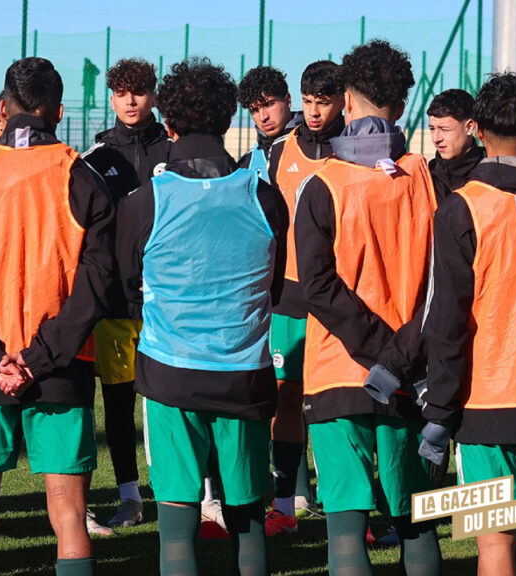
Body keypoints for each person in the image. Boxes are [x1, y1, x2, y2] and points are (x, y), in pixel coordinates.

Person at [0, 57, 113, 576]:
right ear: (58, 111)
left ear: (0, 110)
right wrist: (39, 357)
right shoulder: (79, 173)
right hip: (61, 363)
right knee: (69, 515)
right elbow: (95, 284)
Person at [115, 56, 286, 576]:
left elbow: (127, 290)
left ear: (168, 123)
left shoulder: (145, 201)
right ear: (229, 119)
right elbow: (272, 288)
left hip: (171, 374)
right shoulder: (265, 196)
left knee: (177, 522)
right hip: (244, 377)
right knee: (247, 517)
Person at [295, 40, 442, 576]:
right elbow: (445, 280)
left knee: (346, 528)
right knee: (417, 523)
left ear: (347, 104)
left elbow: (318, 287)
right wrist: (401, 354)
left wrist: (380, 352)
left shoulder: (322, 183)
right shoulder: (427, 177)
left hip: (340, 371)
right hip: (413, 372)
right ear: (401, 109)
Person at [423, 72, 516, 576]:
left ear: (477, 129)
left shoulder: (462, 208)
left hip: (486, 403)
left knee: (495, 544)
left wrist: (439, 409)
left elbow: (445, 322)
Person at [81, 57, 171, 533]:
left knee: (171, 403)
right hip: (117, 304)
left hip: (169, 303)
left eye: (138, 91)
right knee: (117, 404)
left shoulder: (173, 151)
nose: (131, 101)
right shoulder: (96, 157)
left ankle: (194, 493)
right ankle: (130, 496)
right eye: (121, 92)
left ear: (153, 95)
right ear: (111, 98)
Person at [260, 59, 346, 537]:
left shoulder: (351, 151)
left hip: (336, 300)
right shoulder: (280, 152)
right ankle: (285, 503)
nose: (314, 112)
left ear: (342, 102)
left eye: (324, 102)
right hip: (287, 299)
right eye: (309, 102)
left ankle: (342, 506)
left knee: (334, 404)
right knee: (286, 399)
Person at [237, 66, 301, 179]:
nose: (263, 117)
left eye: (268, 104)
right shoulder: (246, 166)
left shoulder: (316, 146)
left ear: (288, 100)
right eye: (255, 110)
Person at [427, 89, 485, 201]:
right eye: (432, 129)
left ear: (469, 127)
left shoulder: (490, 174)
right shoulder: (426, 179)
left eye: (445, 130)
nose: (436, 138)